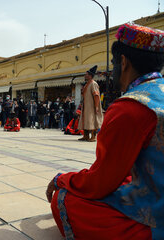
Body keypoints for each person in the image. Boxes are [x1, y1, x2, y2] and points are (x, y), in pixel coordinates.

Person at [46, 23, 164, 240]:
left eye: (112, 63)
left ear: (123, 61)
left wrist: (63, 178)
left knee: (64, 199)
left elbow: (100, 183)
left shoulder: (130, 107)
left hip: (155, 217)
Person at [78, 65, 104, 142]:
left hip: (92, 106)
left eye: (86, 74)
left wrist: (96, 106)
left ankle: (93, 136)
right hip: (86, 106)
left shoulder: (93, 84)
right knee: (86, 120)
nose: (84, 76)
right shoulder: (87, 84)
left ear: (90, 76)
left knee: (92, 120)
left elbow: (96, 95)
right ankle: (86, 136)